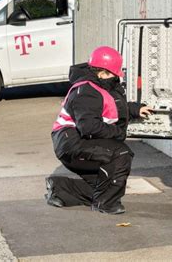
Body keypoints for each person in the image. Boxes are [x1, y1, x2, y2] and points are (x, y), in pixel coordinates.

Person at [45, 46, 152, 215]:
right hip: (71, 142)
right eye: (112, 74)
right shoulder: (86, 90)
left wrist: (135, 109)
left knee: (102, 186)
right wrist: (119, 133)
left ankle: (59, 189)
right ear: (101, 73)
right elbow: (89, 127)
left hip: (75, 141)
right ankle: (106, 204)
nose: (116, 78)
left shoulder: (100, 85)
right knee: (121, 154)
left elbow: (112, 105)